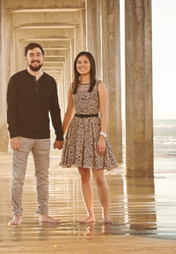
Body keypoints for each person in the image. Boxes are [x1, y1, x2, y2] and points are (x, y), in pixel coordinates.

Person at [6, 42, 64, 226]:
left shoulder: (50, 82)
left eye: (38, 54)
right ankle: (17, 215)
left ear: (43, 57)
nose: (35, 58)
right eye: (31, 55)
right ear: (26, 58)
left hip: (43, 137)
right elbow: (11, 110)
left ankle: (44, 214)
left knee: (43, 177)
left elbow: (55, 110)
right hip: (21, 136)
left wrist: (60, 135)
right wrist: (13, 134)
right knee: (18, 177)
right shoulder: (16, 80)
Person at [60, 51, 118, 224]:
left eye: (85, 62)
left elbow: (104, 113)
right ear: (75, 65)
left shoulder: (99, 85)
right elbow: (69, 112)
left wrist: (102, 136)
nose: (82, 65)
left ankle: (105, 215)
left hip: (94, 129)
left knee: (99, 177)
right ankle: (90, 215)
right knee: (84, 177)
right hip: (77, 130)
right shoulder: (72, 86)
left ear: (91, 64)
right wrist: (60, 136)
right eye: (79, 62)